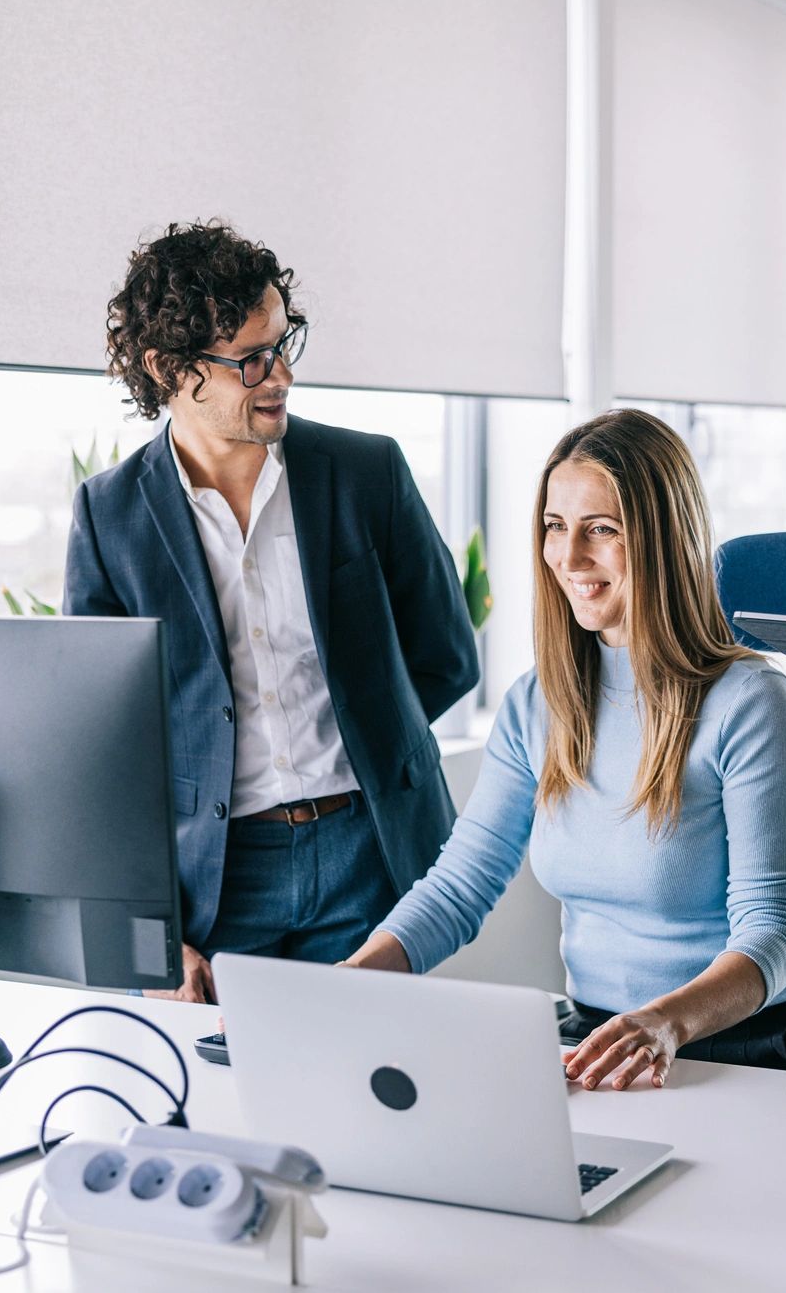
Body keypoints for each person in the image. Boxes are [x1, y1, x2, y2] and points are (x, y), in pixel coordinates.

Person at [344, 410, 786, 1089]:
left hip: (750, 1049)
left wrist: (664, 1024)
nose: (570, 557)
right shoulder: (539, 703)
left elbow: (773, 935)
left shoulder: (750, 702)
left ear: (664, 538)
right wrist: (343, 987)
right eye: (556, 527)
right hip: (603, 1044)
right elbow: (459, 888)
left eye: (602, 530)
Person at [64, 221, 479, 1002]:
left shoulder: (366, 473)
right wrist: (151, 922)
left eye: (285, 343)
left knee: (374, 1100)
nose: (280, 373)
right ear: (169, 368)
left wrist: (362, 745)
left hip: (370, 857)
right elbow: (101, 749)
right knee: (229, 1109)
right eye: (251, 358)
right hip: (217, 882)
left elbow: (446, 655)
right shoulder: (109, 516)